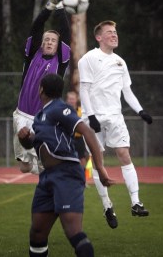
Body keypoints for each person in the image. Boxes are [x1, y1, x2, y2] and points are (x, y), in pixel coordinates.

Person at [18, 74, 115, 257]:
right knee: (37, 233)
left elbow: (86, 130)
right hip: (46, 177)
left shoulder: (59, 108)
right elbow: (34, 144)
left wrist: (100, 168)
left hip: (66, 174)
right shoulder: (40, 116)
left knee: (73, 231)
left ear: (41, 90)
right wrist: (25, 139)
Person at [78, 20, 153, 229]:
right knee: (98, 160)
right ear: (98, 37)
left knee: (124, 154)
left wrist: (141, 111)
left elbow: (126, 92)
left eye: (115, 32)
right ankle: (107, 205)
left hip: (115, 116)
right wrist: (90, 116)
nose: (114, 35)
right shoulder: (88, 59)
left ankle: (136, 202)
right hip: (93, 117)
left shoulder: (120, 62)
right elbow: (84, 89)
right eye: (109, 32)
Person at [13, 0, 70, 175]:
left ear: (58, 45)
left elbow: (66, 33)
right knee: (24, 168)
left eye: (53, 40)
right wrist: (49, 7)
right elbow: (36, 27)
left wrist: (60, 7)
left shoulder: (60, 61)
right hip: (21, 115)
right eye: (46, 39)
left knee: (46, 164)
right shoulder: (32, 55)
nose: (49, 42)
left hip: (43, 120)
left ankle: (53, 178)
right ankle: (42, 169)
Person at [66, 91, 90, 170]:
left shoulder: (81, 111)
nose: (71, 101)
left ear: (76, 100)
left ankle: (82, 177)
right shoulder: (64, 111)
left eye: (72, 99)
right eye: (69, 99)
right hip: (68, 138)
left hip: (79, 138)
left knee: (82, 157)